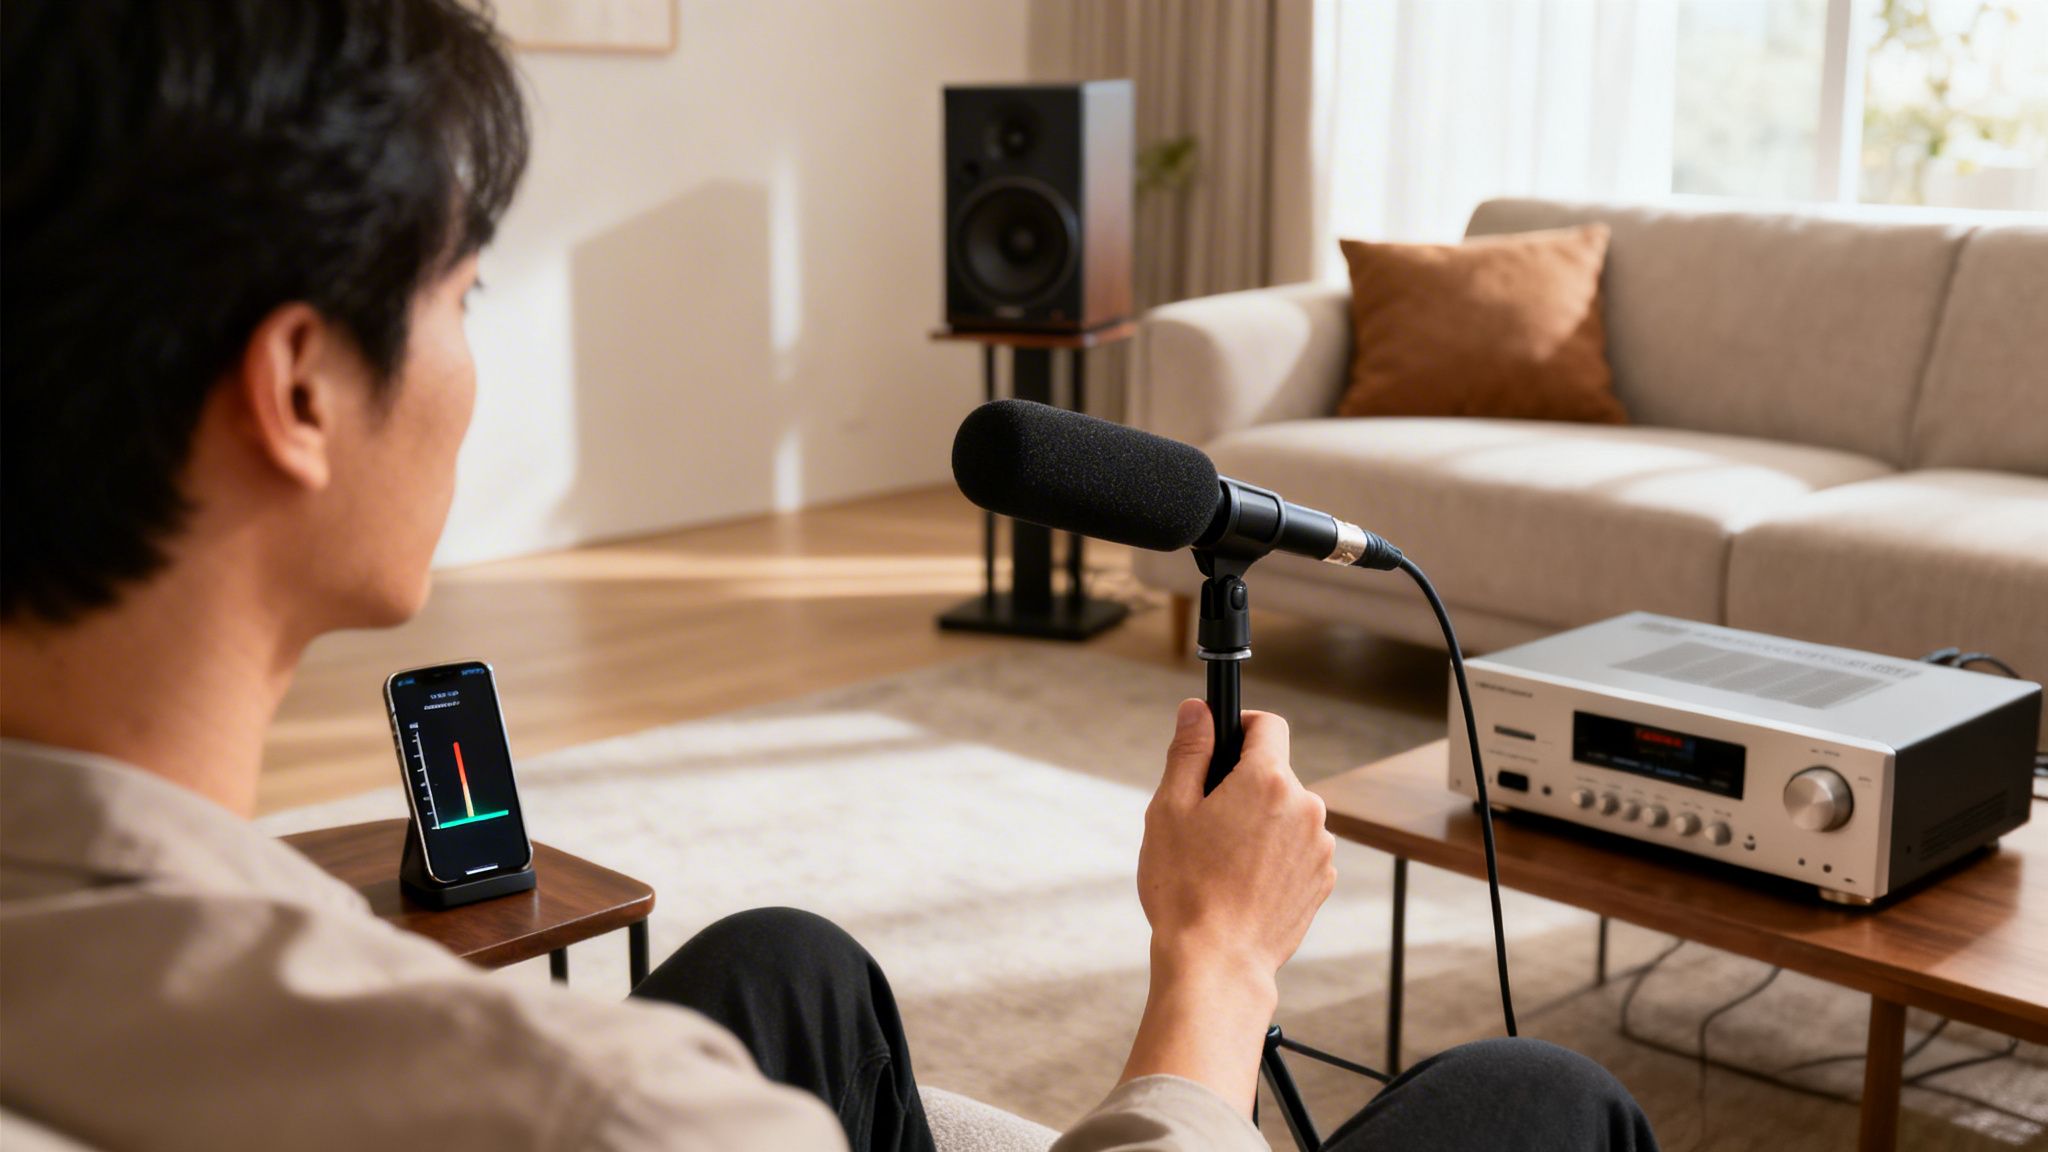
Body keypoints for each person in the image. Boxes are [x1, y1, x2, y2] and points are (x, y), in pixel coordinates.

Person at [0, 2, 1658, 1150]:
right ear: (298, 391)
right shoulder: (597, 1116)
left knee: (786, 966)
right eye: (467, 295)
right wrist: (1214, 963)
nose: (471, 361)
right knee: (1536, 1102)